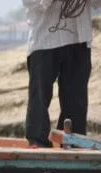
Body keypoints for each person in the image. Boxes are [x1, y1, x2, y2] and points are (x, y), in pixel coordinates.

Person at [22, 0, 101, 147]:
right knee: (40, 94)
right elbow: (32, 3)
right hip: (45, 39)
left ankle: (73, 142)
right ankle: (37, 143)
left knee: (76, 97)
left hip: (79, 38)